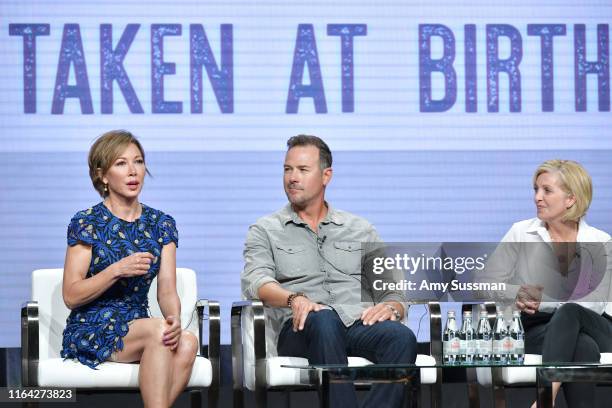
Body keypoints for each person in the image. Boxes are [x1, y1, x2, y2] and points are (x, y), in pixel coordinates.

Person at [241, 135, 417, 408]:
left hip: (357, 325)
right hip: (302, 329)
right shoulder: (265, 230)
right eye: (287, 169)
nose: (292, 178)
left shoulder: (360, 228)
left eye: (302, 170)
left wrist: (392, 307)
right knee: (324, 318)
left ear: (326, 176)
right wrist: (293, 299)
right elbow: (257, 282)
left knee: (401, 337)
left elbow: (392, 289)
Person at [60, 130, 198, 408]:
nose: (133, 171)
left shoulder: (162, 224)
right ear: (102, 175)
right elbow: (71, 295)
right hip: (93, 325)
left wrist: (173, 318)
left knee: (187, 342)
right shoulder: (88, 222)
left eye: (138, 161)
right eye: (121, 163)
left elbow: (167, 289)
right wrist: (116, 270)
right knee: (157, 332)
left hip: (139, 323)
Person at [496, 160, 612, 408]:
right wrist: (514, 294)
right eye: (535, 190)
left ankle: (544, 399)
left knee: (572, 312)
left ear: (570, 199)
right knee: (581, 347)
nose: (537, 197)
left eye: (547, 190)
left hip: (597, 325)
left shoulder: (601, 241)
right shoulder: (521, 232)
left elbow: (594, 304)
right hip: (539, 329)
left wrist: (545, 302)